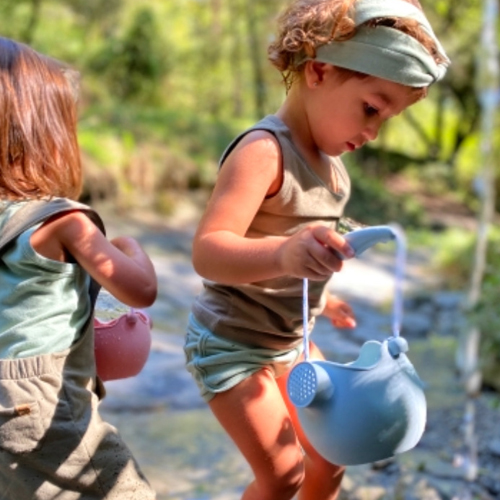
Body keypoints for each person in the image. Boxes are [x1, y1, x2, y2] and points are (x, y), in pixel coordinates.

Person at [185, 0, 450, 498]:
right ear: (320, 72)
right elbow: (209, 251)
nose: (373, 133)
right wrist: (286, 254)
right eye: (372, 108)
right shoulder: (264, 152)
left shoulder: (334, 173)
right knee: (283, 473)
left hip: (290, 341)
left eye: (387, 119)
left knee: (330, 457)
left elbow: (303, 257)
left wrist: (324, 299)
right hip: (230, 344)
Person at [0, 37, 157, 499]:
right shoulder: (63, 220)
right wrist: (128, 245)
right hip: (44, 406)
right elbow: (141, 290)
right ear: (46, 135)